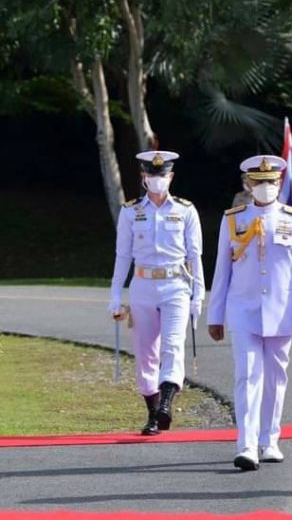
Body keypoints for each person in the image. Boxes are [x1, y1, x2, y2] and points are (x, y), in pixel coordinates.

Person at [207, 155, 292, 472]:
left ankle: (269, 439)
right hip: (243, 309)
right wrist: (215, 315)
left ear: (279, 183)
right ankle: (246, 445)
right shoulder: (233, 219)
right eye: (258, 182)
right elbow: (221, 270)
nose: (265, 187)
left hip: (281, 309)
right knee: (247, 375)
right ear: (248, 184)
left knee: (275, 377)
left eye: (270, 182)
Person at [107, 151, 204, 436]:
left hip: (176, 285)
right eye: (152, 175)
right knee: (145, 353)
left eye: (162, 175)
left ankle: (166, 402)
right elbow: (122, 255)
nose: (157, 179)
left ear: (171, 177)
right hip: (143, 285)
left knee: (173, 345)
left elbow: (195, 255)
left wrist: (198, 295)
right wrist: (115, 295)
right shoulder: (131, 211)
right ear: (144, 177)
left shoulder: (185, 210)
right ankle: (152, 412)